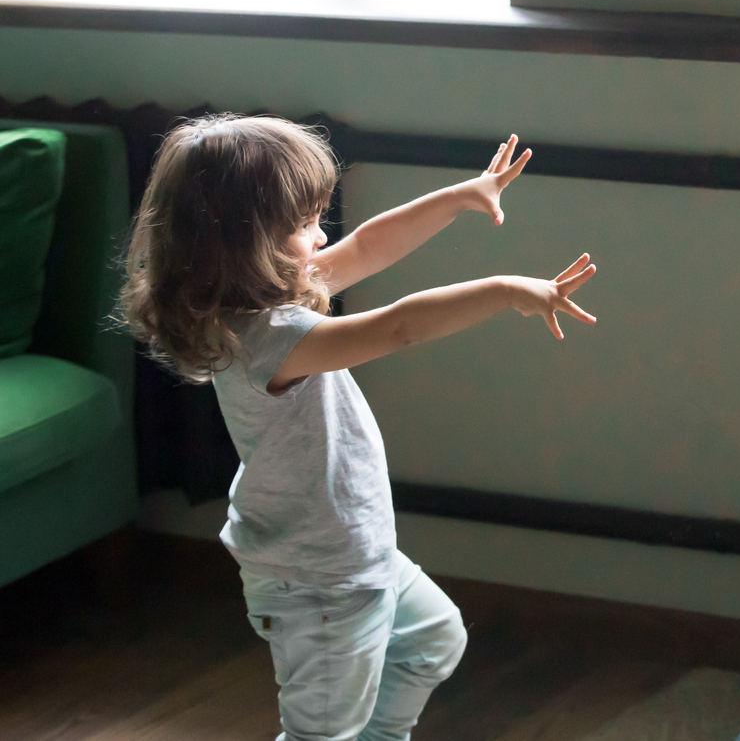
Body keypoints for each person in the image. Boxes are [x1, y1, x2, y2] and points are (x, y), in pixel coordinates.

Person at [119, 115, 597, 741]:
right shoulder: (268, 338)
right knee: (321, 735)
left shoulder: (266, 300)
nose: (321, 238)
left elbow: (369, 246)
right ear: (245, 242)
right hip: (320, 583)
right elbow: (398, 327)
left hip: (353, 553)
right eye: (303, 226)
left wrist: (459, 198)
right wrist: (504, 289)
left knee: (433, 640)